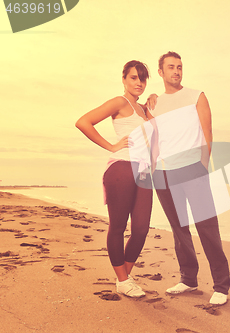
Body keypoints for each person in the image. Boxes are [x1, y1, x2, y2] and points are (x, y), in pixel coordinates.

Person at [148, 52, 230, 305]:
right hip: (164, 172)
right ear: (160, 72)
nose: (176, 71)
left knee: (207, 227)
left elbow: (208, 131)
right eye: (171, 67)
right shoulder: (153, 103)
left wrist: (202, 166)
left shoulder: (197, 96)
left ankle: (221, 286)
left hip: (193, 169)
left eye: (180, 67)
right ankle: (188, 279)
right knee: (178, 229)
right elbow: (154, 137)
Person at [75, 60, 154, 297]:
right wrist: (110, 146)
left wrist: (153, 102)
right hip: (122, 166)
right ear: (123, 79)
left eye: (142, 78)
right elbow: (83, 122)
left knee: (141, 229)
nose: (138, 82)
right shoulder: (120, 102)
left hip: (145, 170)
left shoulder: (143, 109)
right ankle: (123, 279)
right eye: (133, 77)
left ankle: (124, 278)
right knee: (118, 226)